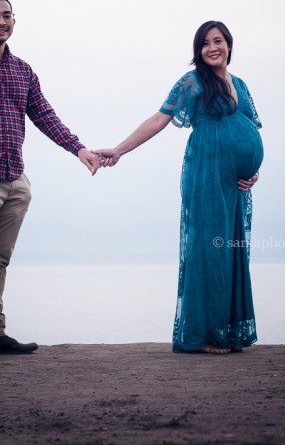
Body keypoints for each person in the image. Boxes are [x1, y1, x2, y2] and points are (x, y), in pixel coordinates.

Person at [0, 0, 101, 362]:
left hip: (16, 178)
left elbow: (44, 115)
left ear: (14, 22)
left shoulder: (22, 69)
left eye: (7, 16)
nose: (1, 21)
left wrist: (79, 150)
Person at [96, 20, 263, 354]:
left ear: (229, 44)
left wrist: (254, 170)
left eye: (218, 41)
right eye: (204, 44)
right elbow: (159, 119)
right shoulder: (193, 81)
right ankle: (203, 335)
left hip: (235, 183)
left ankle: (227, 330)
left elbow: (250, 125)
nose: (212, 48)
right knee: (206, 248)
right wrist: (119, 149)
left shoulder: (240, 84)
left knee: (230, 248)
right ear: (198, 51)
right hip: (206, 171)